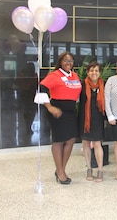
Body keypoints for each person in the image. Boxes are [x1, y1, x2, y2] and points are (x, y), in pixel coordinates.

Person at [40, 52, 82, 184]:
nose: (68, 63)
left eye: (71, 60)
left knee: (70, 140)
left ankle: (60, 169)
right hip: (56, 111)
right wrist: (49, 107)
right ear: (60, 62)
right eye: (65, 60)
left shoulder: (74, 75)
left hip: (70, 112)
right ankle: (61, 172)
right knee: (58, 141)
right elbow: (41, 89)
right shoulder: (54, 75)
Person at [78, 61, 106, 183]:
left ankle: (100, 170)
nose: (94, 73)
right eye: (91, 70)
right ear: (87, 72)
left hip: (98, 119)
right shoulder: (82, 85)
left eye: (96, 70)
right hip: (85, 119)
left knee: (97, 144)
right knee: (85, 144)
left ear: (99, 73)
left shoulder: (103, 85)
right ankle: (89, 169)